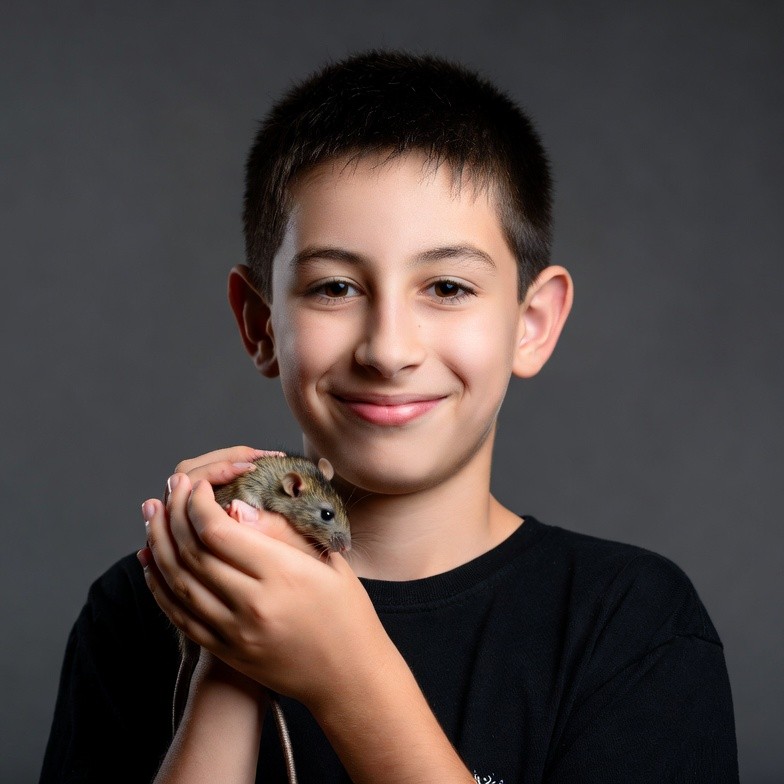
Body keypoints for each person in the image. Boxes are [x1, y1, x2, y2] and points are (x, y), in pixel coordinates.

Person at [40, 50, 739, 783]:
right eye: (336, 287)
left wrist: (350, 678)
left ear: (530, 323)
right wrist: (228, 648)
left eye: (446, 285)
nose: (389, 349)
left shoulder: (632, 625)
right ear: (260, 323)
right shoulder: (141, 608)